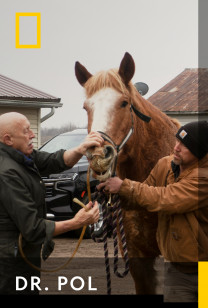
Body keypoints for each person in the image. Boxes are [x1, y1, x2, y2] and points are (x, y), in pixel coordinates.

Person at [97, 121, 208, 302]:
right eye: (177, 141)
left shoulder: (204, 177)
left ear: (199, 151)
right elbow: (144, 197)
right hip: (177, 268)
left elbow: (166, 199)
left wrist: (124, 186)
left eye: (185, 145)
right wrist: (115, 195)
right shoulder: (165, 165)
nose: (176, 148)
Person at [0, 112, 102, 295]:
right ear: (8, 139)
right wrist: (77, 222)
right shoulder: (6, 173)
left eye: (31, 129)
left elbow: (55, 161)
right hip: (9, 263)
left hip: (20, 254)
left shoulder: (20, 157)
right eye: (26, 131)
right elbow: (33, 228)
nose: (32, 135)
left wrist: (80, 149)